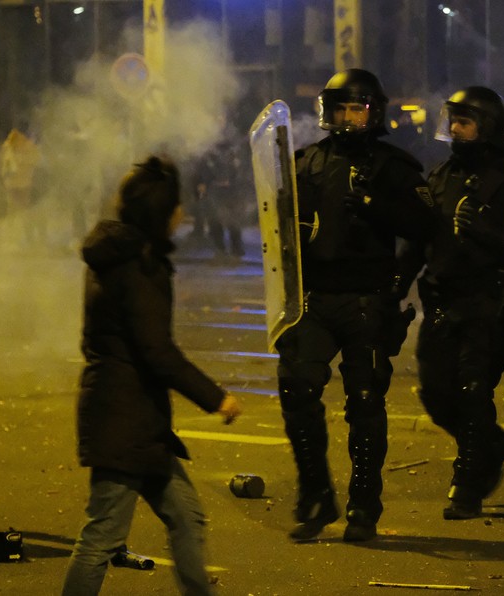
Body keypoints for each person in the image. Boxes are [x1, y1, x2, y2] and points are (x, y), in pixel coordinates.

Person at [62, 155, 242, 595]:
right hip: (124, 423)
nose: (182, 214)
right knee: (101, 537)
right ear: (159, 213)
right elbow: (156, 351)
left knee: (186, 514)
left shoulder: (118, 255)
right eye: (176, 206)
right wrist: (216, 398)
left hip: (136, 421)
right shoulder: (138, 266)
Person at [276, 68, 435, 542]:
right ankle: (316, 493)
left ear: (375, 112)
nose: (347, 117)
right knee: (297, 389)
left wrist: (395, 275)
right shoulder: (305, 163)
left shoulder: (392, 167)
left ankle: (364, 504)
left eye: (356, 108)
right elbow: (278, 229)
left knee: (365, 403)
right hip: (315, 298)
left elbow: (425, 229)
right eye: (340, 108)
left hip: (367, 300)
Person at [395, 86, 504, 520]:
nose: (455, 129)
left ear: (485, 126)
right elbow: (418, 239)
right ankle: (494, 444)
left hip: (488, 301)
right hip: (443, 301)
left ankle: (467, 484)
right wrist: (396, 285)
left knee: (471, 391)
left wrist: (487, 233)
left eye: (464, 122)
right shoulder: (442, 175)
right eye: (454, 121)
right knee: (435, 393)